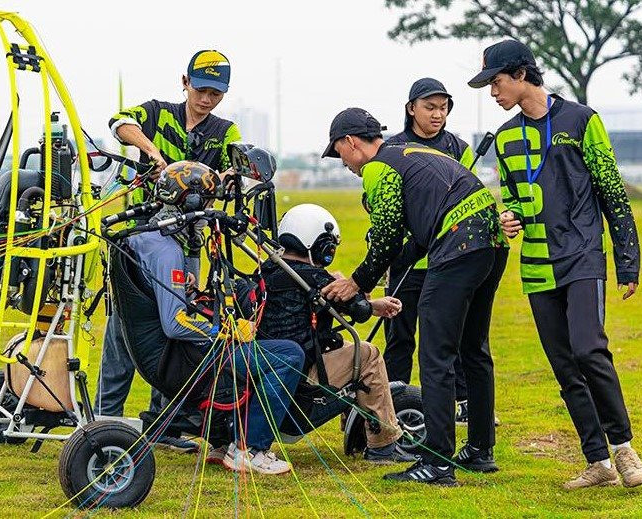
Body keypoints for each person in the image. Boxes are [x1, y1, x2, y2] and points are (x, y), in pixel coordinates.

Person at [468, 39, 642, 489]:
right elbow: (511, 194)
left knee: (589, 348)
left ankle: (624, 449)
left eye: (496, 82)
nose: (492, 92)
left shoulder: (582, 120)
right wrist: (507, 215)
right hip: (536, 264)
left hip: (583, 254)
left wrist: (628, 261)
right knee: (564, 366)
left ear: (522, 74)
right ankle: (598, 462)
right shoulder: (505, 137)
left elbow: (612, 190)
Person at [320, 108, 508, 485]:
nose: (344, 164)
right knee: (473, 350)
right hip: (491, 242)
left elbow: (388, 236)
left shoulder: (378, 167)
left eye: (339, 154)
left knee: (436, 355)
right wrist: (377, 280)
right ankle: (479, 450)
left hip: (458, 243)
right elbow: (416, 241)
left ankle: (437, 463)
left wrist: (356, 282)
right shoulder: (414, 154)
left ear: (350, 143)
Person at [108, 160, 305, 475]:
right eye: (209, 203)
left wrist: (194, 243)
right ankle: (249, 449)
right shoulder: (165, 250)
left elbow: (185, 289)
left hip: (167, 353)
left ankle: (221, 441)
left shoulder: (151, 236)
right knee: (288, 355)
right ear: (193, 203)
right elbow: (175, 323)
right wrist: (229, 331)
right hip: (181, 358)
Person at [96, 49, 241, 453]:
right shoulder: (158, 113)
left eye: (217, 93)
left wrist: (226, 177)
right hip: (139, 239)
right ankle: (106, 418)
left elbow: (235, 167)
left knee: (174, 329)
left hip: (189, 243)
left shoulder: (225, 130)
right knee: (123, 326)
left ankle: (164, 424)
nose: (207, 99)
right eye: (202, 89)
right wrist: (154, 154)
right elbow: (119, 122)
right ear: (185, 82)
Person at [229, 204, 415, 465]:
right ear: (319, 244)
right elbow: (356, 308)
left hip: (270, 363)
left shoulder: (269, 271)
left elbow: (337, 305)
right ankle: (383, 446)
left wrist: (373, 307)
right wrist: (356, 292)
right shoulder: (315, 278)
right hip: (304, 374)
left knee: (348, 347)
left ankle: (362, 429)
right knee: (368, 354)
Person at [383, 78, 484, 426]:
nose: (437, 114)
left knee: (450, 335)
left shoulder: (459, 147)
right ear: (411, 108)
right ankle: (392, 403)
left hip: (450, 258)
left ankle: (463, 402)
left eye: (443, 107)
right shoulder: (392, 147)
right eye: (430, 107)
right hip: (405, 258)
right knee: (399, 336)